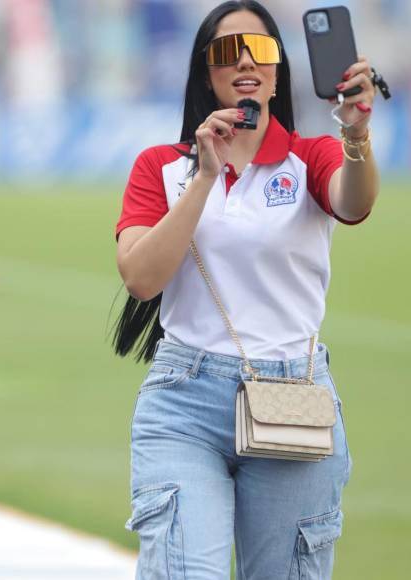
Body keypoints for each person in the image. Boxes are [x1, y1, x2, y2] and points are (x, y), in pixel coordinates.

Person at [112, 1, 379, 578]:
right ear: (206, 73)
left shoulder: (312, 156)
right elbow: (140, 278)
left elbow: (354, 202)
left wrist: (356, 132)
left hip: (294, 396)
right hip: (184, 402)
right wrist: (204, 175)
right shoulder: (161, 166)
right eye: (225, 53)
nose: (245, 64)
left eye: (259, 49)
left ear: (279, 67)